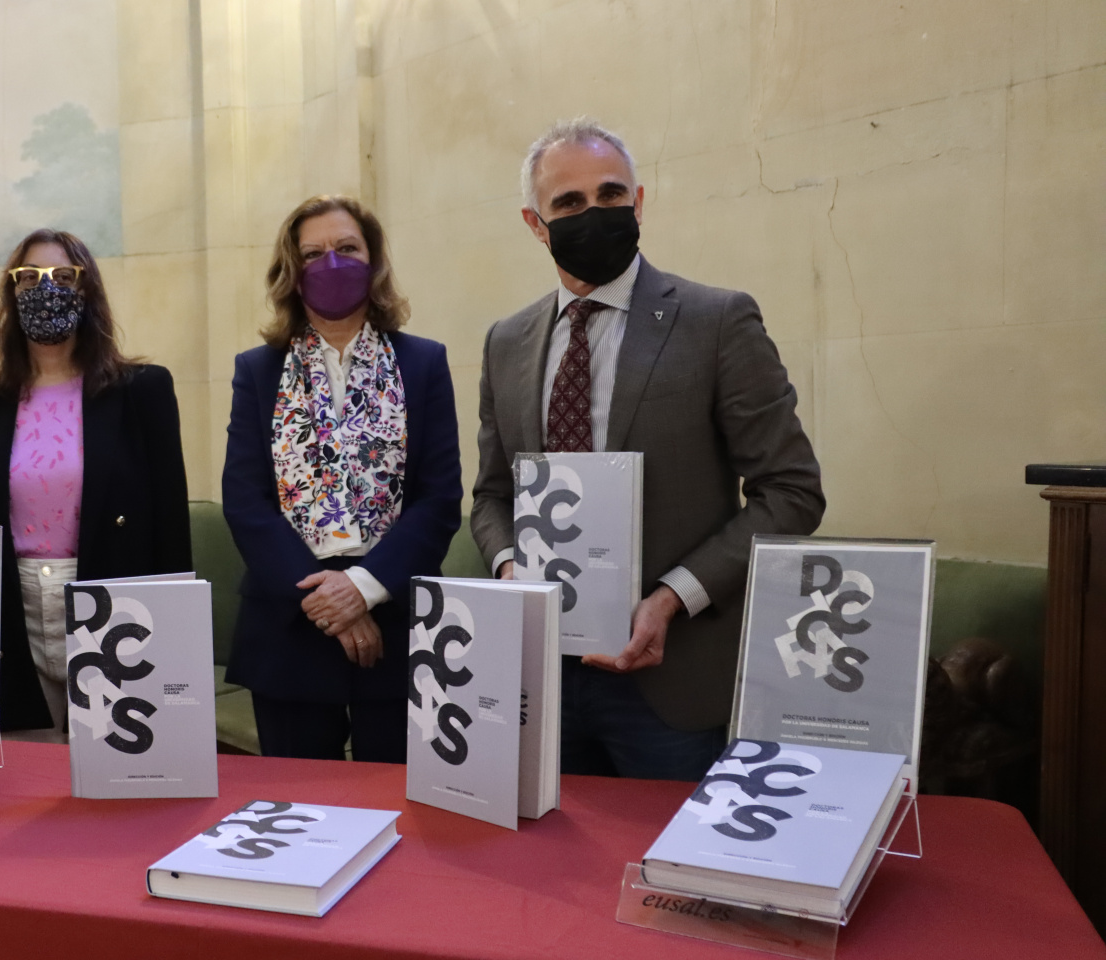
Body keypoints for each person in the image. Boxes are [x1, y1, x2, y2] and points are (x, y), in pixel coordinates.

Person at [472, 118, 825, 780]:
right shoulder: (507, 341)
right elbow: (492, 496)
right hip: (541, 677)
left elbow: (792, 491)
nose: (594, 213)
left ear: (638, 203)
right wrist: (507, 569)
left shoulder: (716, 322)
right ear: (535, 223)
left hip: (671, 682)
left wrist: (672, 596)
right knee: (550, 875)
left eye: (610, 195)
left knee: (673, 878)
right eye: (569, 204)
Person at [223, 195, 462, 763]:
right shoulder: (258, 370)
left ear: (373, 260)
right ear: (292, 270)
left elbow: (439, 498)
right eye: (314, 254)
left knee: (400, 811)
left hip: (396, 621)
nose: (332, 263)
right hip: (289, 626)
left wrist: (363, 588)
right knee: (296, 815)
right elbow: (247, 501)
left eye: (347, 248)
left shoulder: (423, 362)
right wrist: (327, 600)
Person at [0, 229, 192, 742]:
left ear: (87, 290)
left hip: (114, 597)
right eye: (29, 277)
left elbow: (171, 522)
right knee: (28, 773)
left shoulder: (142, 391)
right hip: (13, 606)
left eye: (63, 276)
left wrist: (175, 631)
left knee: (113, 767)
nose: (45, 287)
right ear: (11, 294)